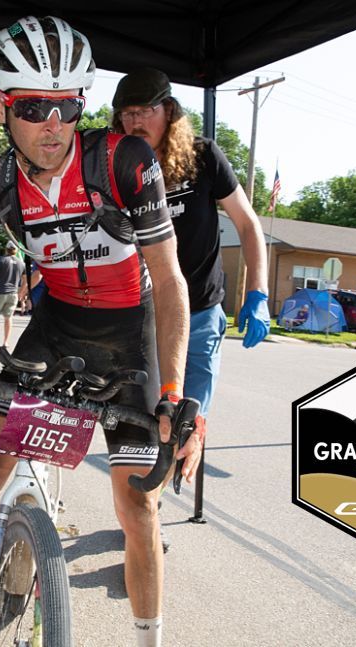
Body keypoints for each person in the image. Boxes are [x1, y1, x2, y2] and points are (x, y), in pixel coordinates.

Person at [0, 17, 196, 647]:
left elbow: (168, 283)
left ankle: (149, 639)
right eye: (33, 107)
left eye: (66, 106)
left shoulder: (124, 160)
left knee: (137, 503)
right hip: (54, 326)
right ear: (3, 105)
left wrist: (172, 387)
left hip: (129, 331)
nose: (53, 124)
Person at [112, 67, 271, 431]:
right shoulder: (114, 166)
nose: (135, 122)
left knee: (186, 428)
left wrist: (257, 293)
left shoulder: (203, 156)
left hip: (199, 316)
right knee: (145, 431)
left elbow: (247, 224)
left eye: (145, 111)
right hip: (142, 319)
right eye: (127, 113)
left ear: (168, 111)